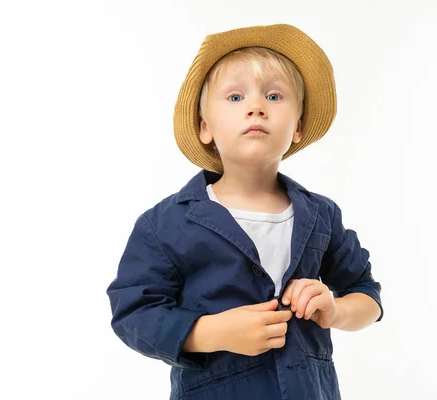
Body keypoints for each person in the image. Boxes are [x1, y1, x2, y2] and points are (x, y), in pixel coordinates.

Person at [106, 23, 383, 400]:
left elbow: (367, 295)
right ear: (206, 127)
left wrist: (334, 310)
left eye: (274, 96)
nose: (256, 107)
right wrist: (211, 332)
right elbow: (133, 314)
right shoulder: (165, 224)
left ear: (298, 126)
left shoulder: (321, 215)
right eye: (235, 98)